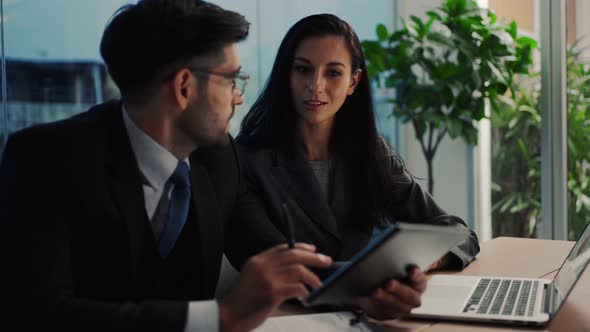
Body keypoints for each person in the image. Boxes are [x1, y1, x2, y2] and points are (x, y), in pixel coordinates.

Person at [0, 1, 334, 331]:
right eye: (232, 79)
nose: (239, 96)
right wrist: (220, 317)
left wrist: (360, 288)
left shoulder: (218, 157)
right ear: (184, 87)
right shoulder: (46, 159)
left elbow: (274, 255)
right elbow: (36, 312)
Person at [237, 14, 480, 319]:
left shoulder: (372, 152)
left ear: (353, 82)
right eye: (303, 69)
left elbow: (459, 234)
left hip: (374, 318)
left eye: (333, 73)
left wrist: (425, 262)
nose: (316, 86)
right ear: (286, 74)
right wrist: (374, 283)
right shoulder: (246, 160)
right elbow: (278, 270)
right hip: (290, 320)